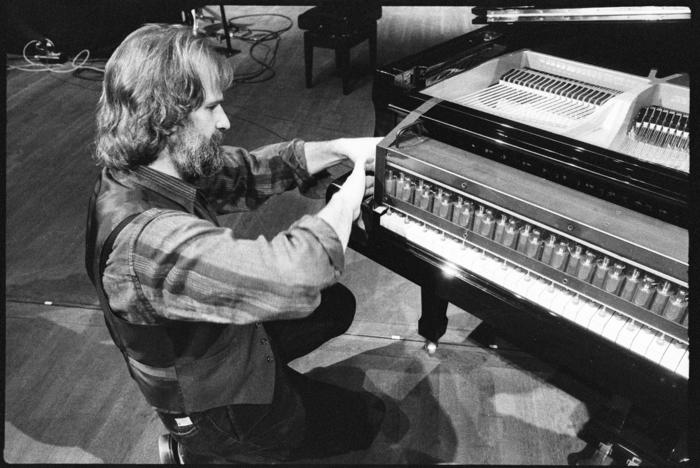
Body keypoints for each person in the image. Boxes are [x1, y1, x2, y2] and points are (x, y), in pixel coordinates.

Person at [85, 23, 385, 463]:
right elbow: (297, 273)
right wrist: (351, 193)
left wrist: (344, 149)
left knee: (336, 306)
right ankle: (203, 449)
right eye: (212, 108)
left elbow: (249, 169)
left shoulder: (144, 168)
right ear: (166, 120)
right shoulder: (144, 241)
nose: (225, 121)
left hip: (212, 347)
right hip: (214, 406)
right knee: (367, 419)